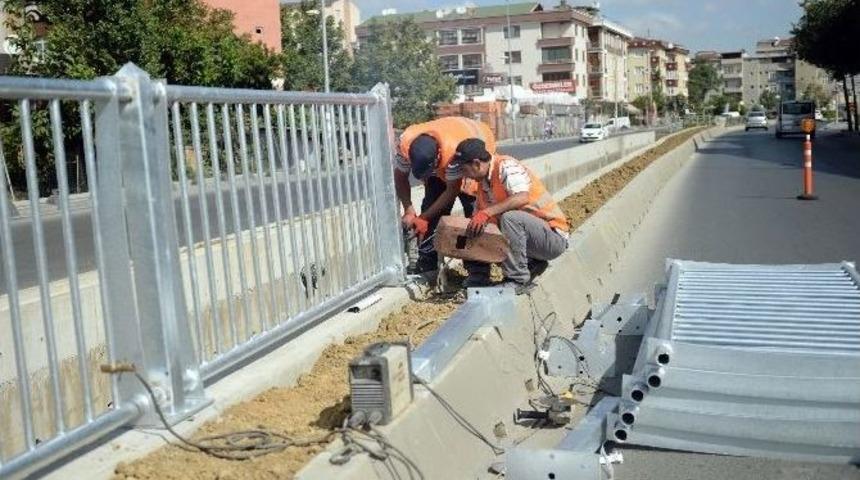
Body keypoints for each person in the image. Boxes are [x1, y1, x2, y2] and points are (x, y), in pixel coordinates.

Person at [453, 138, 570, 294]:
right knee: (474, 226)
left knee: (511, 218)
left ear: (476, 164)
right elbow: (477, 223)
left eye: (464, 169)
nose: (464, 175)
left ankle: (517, 280)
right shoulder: (482, 186)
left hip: (553, 237)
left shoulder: (505, 166)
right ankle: (480, 277)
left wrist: (487, 212)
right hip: (532, 243)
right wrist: (460, 243)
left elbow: (522, 197)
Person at [395, 117, 496, 285]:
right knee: (431, 207)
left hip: (470, 160)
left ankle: (478, 272)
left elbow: (452, 190)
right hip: (444, 159)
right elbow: (400, 177)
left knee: (473, 220)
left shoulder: (453, 152)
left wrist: (424, 217)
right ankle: (428, 264)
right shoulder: (406, 145)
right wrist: (409, 210)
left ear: (438, 157)